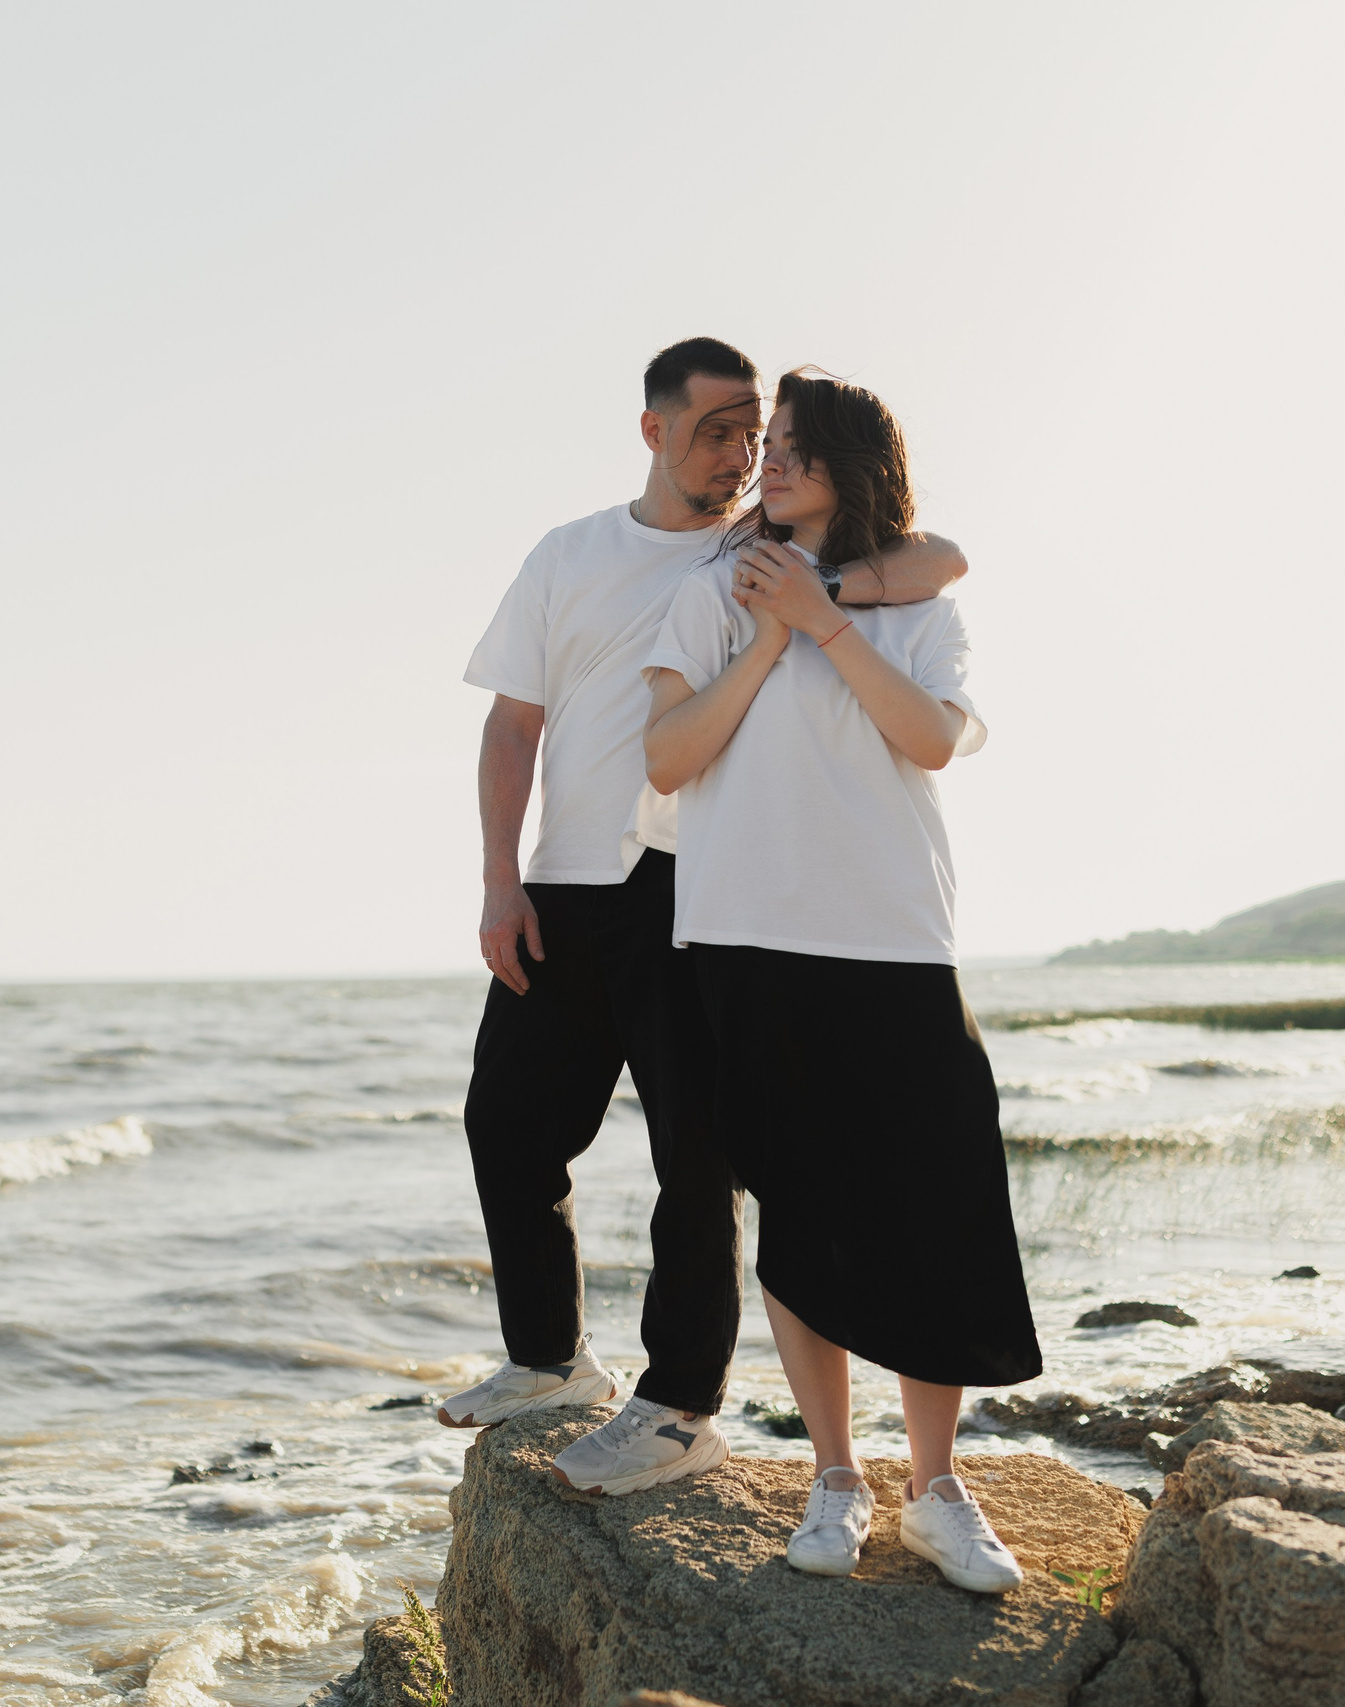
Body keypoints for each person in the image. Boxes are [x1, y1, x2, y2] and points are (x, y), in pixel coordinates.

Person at [443, 338, 970, 1499]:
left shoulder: (762, 547)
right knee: (508, 1123)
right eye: (718, 431)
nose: (740, 454)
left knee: (694, 1155)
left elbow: (939, 556)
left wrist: (822, 595)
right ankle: (549, 1360)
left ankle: (681, 1407)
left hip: (696, 880)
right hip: (565, 881)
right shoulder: (568, 553)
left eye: (753, 433)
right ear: (654, 431)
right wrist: (498, 877)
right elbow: (513, 726)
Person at [638, 368, 1040, 1591]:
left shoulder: (915, 605)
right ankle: (834, 1478)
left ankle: (936, 1488)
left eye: (794, 447)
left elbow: (930, 739)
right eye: (767, 446)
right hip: (746, 937)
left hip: (895, 937)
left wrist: (824, 620)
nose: (769, 462)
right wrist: (772, 634)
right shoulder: (712, 594)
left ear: (853, 466)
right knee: (800, 1212)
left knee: (936, 1204)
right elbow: (666, 758)